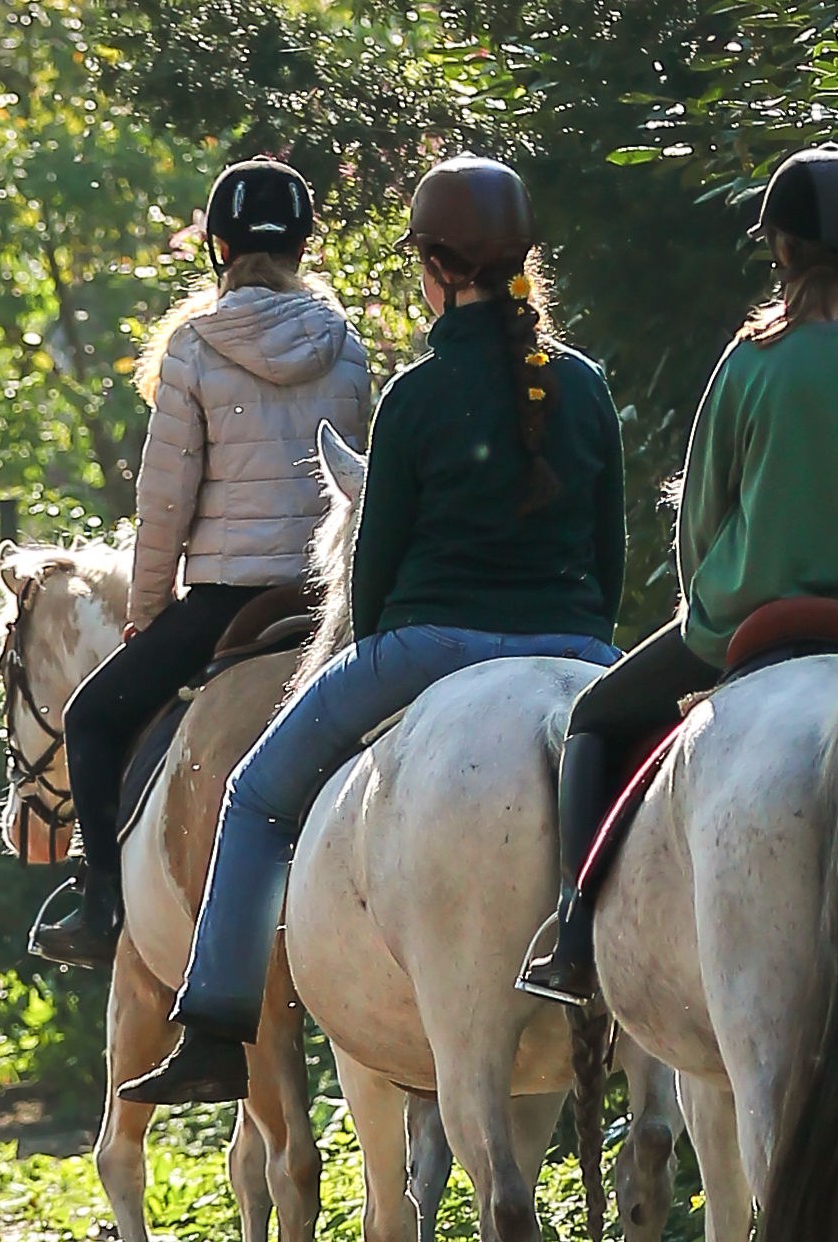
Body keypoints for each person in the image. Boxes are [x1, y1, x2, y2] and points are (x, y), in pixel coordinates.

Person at [119, 155, 629, 1104]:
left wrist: (380, 660)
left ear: (435, 269)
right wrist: (573, 641)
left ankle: (219, 1025)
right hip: (581, 652)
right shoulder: (585, 386)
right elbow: (610, 556)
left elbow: (374, 566)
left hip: (427, 643)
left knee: (259, 793)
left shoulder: (418, 394)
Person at [517, 142, 838, 1010]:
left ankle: (570, 934)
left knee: (595, 720)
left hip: (738, 625)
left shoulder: (749, 365)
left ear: (781, 250)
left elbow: (701, 517)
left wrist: (707, 609)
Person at [28, 157, 374, 968]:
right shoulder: (345, 344)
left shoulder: (193, 344)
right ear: (302, 244)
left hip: (227, 598)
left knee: (91, 717)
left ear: (215, 247)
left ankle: (101, 907)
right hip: (329, 601)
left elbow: (165, 502)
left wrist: (146, 609)